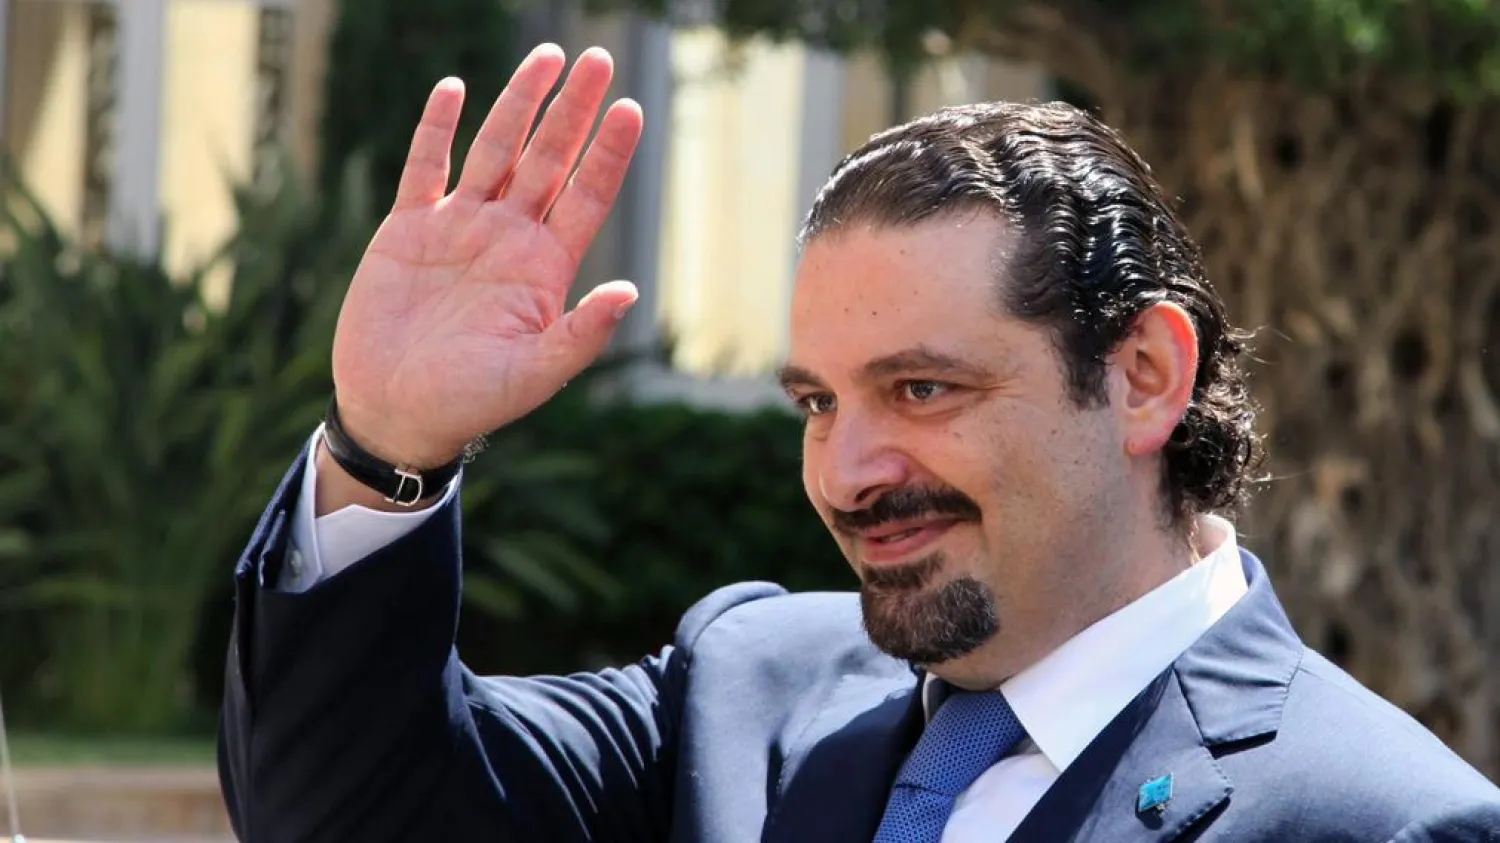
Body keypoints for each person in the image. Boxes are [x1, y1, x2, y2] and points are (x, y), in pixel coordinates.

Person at [216, 43, 1500, 842]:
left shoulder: (1376, 819)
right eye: (819, 402)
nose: (846, 472)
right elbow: (346, 813)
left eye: (925, 389)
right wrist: (385, 444)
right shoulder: (747, 687)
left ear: (1145, 376)